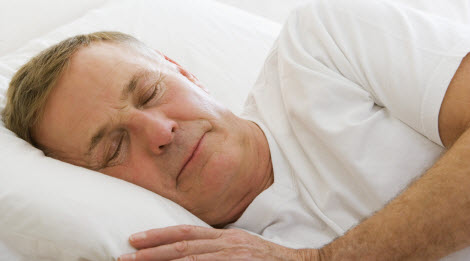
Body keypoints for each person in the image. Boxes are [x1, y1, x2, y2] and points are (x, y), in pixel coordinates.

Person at [3, 0, 470, 260]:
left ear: (184, 71)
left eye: (149, 93)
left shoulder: (320, 47)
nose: (160, 131)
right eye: (114, 147)